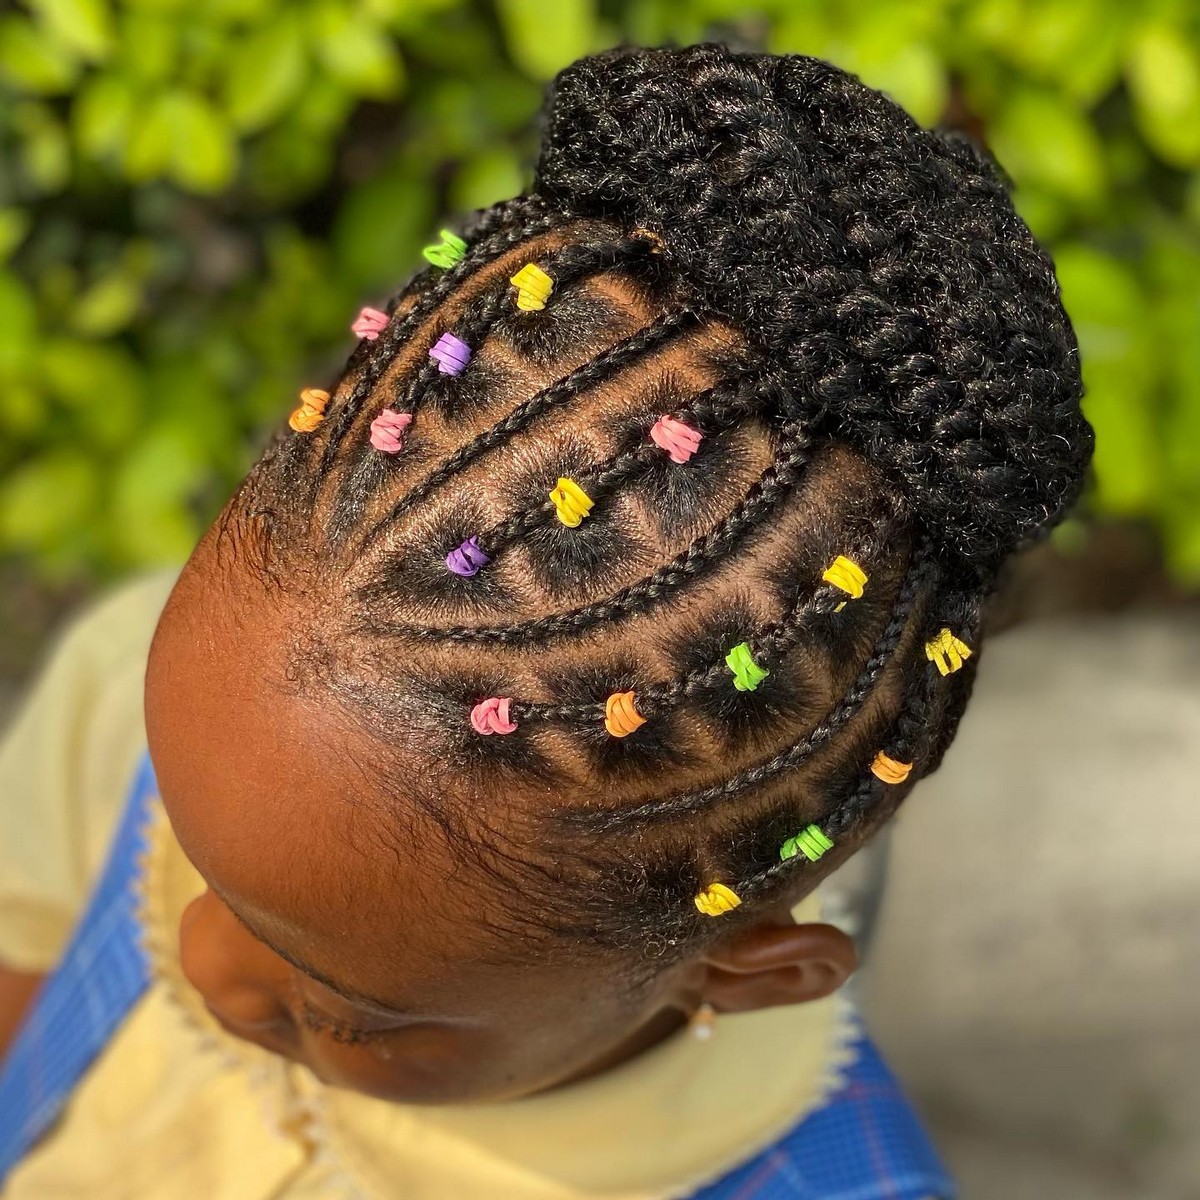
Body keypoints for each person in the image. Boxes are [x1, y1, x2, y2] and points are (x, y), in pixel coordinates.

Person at [0, 43, 1091, 1199]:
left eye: (340, 1014)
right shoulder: (128, 672)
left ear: (750, 972)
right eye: (175, 835)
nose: (195, 962)